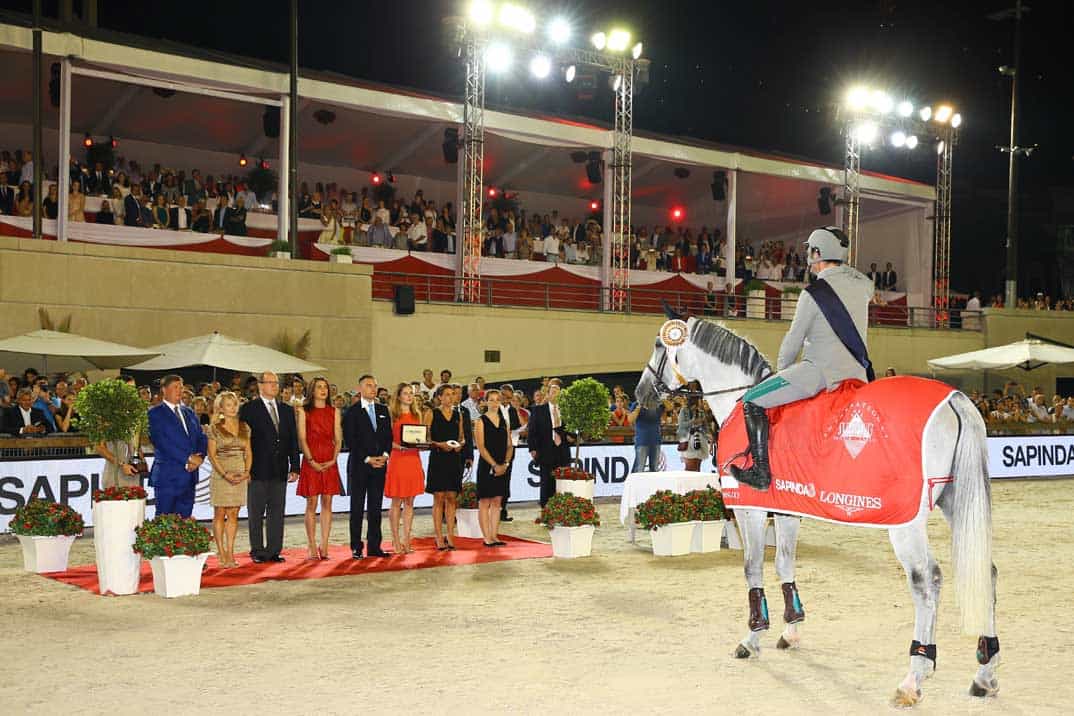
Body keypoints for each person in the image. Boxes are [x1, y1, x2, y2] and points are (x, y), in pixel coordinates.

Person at [730, 226, 874, 490]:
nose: (808, 254)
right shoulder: (863, 286)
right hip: (858, 373)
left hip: (819, 373)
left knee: (751, 399)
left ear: (817, 253)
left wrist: (780, 371)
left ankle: (761, 473)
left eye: (810, 250)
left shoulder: (813, 294)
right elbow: (864, 284)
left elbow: (792, 342)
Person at [238, 371, 301, 563]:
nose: (275, 386)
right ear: (260, 385)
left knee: (276, 511)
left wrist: (295, 466)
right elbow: (243, 441)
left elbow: (292, 440)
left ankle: (274, 550)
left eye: (276, 383)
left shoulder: (287, 410)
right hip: (257, 469)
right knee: (256, 513)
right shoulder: (249, 409)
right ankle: (257, 550)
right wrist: (245, 468)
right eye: (270, 382)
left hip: (280, 469)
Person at [342, 374, 393, 559]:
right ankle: (356, 546)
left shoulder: (383, 410)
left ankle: (374, 546)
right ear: (360, 388)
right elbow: (350, 439)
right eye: (369, 385)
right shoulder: (351, 412)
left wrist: (385, 456)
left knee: (375, 507)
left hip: (380, 466)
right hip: (359, 467)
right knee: (356, 507)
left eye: (375, 385)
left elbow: (388, 437)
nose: (373, 389)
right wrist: (367, 458)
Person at [146, 375, 207, 517]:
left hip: (189, 476)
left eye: (181, 387)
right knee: (164, 519)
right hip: (168, 476)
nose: (179, 390)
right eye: (175, 387)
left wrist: (200, 456)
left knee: (185, 519)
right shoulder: (154, 413)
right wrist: (188, 458)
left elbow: (201, 437)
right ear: (164, 390)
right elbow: (161, 442)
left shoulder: (189, 412)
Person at [296, 376, 342, 561]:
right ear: (312, 391)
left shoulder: (334, 411)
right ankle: (312, 545)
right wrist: (310, 459)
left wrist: (334, 458)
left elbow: (338, 438)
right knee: (311, 502)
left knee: (327, 502)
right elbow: (302, 438)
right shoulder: (303, 411)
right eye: (319, 387)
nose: (323, 390)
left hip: (329, 459)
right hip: (311, 458)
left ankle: (324, 544)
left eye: (325, 387)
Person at [206, 392, 252, 569]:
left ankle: (230, 552)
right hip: (221, 474)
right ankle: (221, 551)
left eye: (234, 404)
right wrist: (225, 474)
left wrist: (246, 472)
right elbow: (212, 455)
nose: (233, 407)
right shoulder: (214, 428)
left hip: (240, 473)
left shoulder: (245, 427)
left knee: (234, 513)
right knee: (220, 513)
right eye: (229, 405)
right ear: (221, 408)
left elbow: (248, 452)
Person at [384, 383, 425, 554]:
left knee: (410, 501)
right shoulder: (392, 415)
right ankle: (395, 541)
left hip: (413, 459)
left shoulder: (417, 415)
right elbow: (386, 440)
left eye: (411, 393)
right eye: (406, 393)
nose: (409, 396)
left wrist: (422, 444)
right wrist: (398, 447)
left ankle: (407, 540)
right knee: (396, 501)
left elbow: (419, 437)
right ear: (399, 396)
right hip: (398, 459)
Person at [424, 384, 464, 550]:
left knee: (452, 498)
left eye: (452, 394)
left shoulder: (458, 415)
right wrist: (440, 444)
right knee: (439, 497)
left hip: (454, 459)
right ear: (439, 397)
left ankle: (450, 535)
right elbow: (425, 438)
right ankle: (438, 536)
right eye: (447, 394)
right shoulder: (431, 413)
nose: (450, 397)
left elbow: (462, 437)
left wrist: (460, 445)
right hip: (438, 458)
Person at [475, 389, 513, 547]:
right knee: (485, 501)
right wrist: (494, 465)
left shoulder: (504, 421)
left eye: (497, 399)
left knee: (497, 501)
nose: (495, 402)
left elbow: (510, 445)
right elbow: (481, 447)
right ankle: (486, 537)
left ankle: (494, 535)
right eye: (491, 399)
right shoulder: (480, 421)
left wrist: (505, 464)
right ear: (485, 402)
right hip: (487, 465)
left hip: (502, 465)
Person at [526, 379, 571, 506]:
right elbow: (532, 432)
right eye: (552, 391)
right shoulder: (538, 410)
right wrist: (532, 449)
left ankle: (561, 508)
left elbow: (571, 429)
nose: (555, 393)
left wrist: (571, 437)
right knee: (546, 482)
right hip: (545, 450)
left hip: (562, 450)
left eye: (557, 391)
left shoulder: (566, 411)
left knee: (563, 481)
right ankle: (546, 510)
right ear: (548, 394)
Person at [497, 384, 523, 522]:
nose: (506, 400)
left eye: (509, 397)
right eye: (504, 397)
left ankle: (503, 508)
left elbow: (517, 427)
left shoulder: (512, 410)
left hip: (510, 448)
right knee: (496, 478)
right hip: (496, 449)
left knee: (506, 478)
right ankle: (494, 508)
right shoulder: (494, 409)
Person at [677, 392, 712, 472]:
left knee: (697, 466)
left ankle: (696, 483)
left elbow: (705, 426)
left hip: (700, 440)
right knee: (690, 467)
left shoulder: (700, 411)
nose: (698, 401)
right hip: (689, 440)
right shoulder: (684, 410)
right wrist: (693, 421)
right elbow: (682, 425)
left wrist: (709, 436)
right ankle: (686, 483)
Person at [629, 400, 664, 472]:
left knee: (655, 469)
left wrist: (662, 398)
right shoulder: (636, 403)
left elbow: (670, 407)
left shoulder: (658, 403)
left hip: (656, 441)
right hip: (642, 441)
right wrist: (638, 408)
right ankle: (635, 483)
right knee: (639, 469)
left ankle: (653, 483)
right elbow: (630, 419)